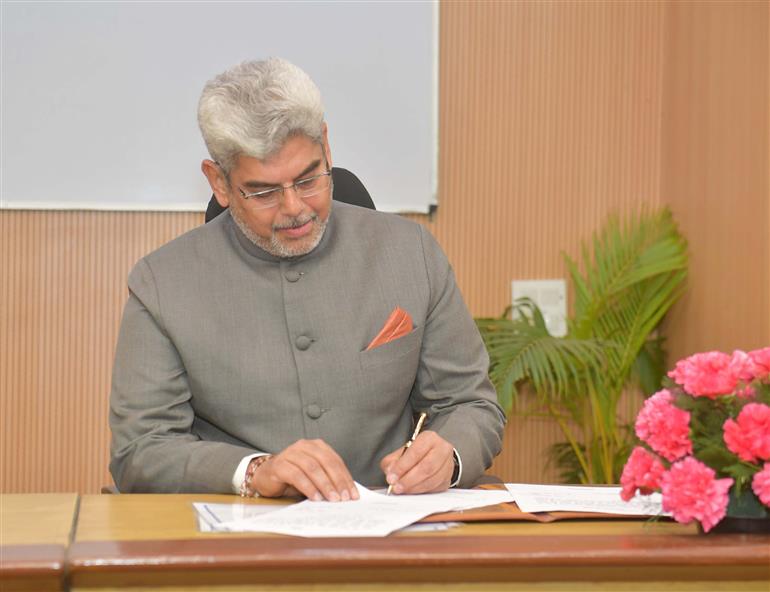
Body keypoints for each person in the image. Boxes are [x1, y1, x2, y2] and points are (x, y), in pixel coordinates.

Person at [109, 58, 505, 501]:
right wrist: (255, 471)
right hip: (239, 545)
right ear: (218, 181)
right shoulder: (162, 283)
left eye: (308, 177)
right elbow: (140, 450)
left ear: (327, 147)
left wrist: (447, 456)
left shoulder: (411, 252)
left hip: (391, 534)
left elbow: (471, 404)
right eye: (263, 191)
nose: (295, 207)